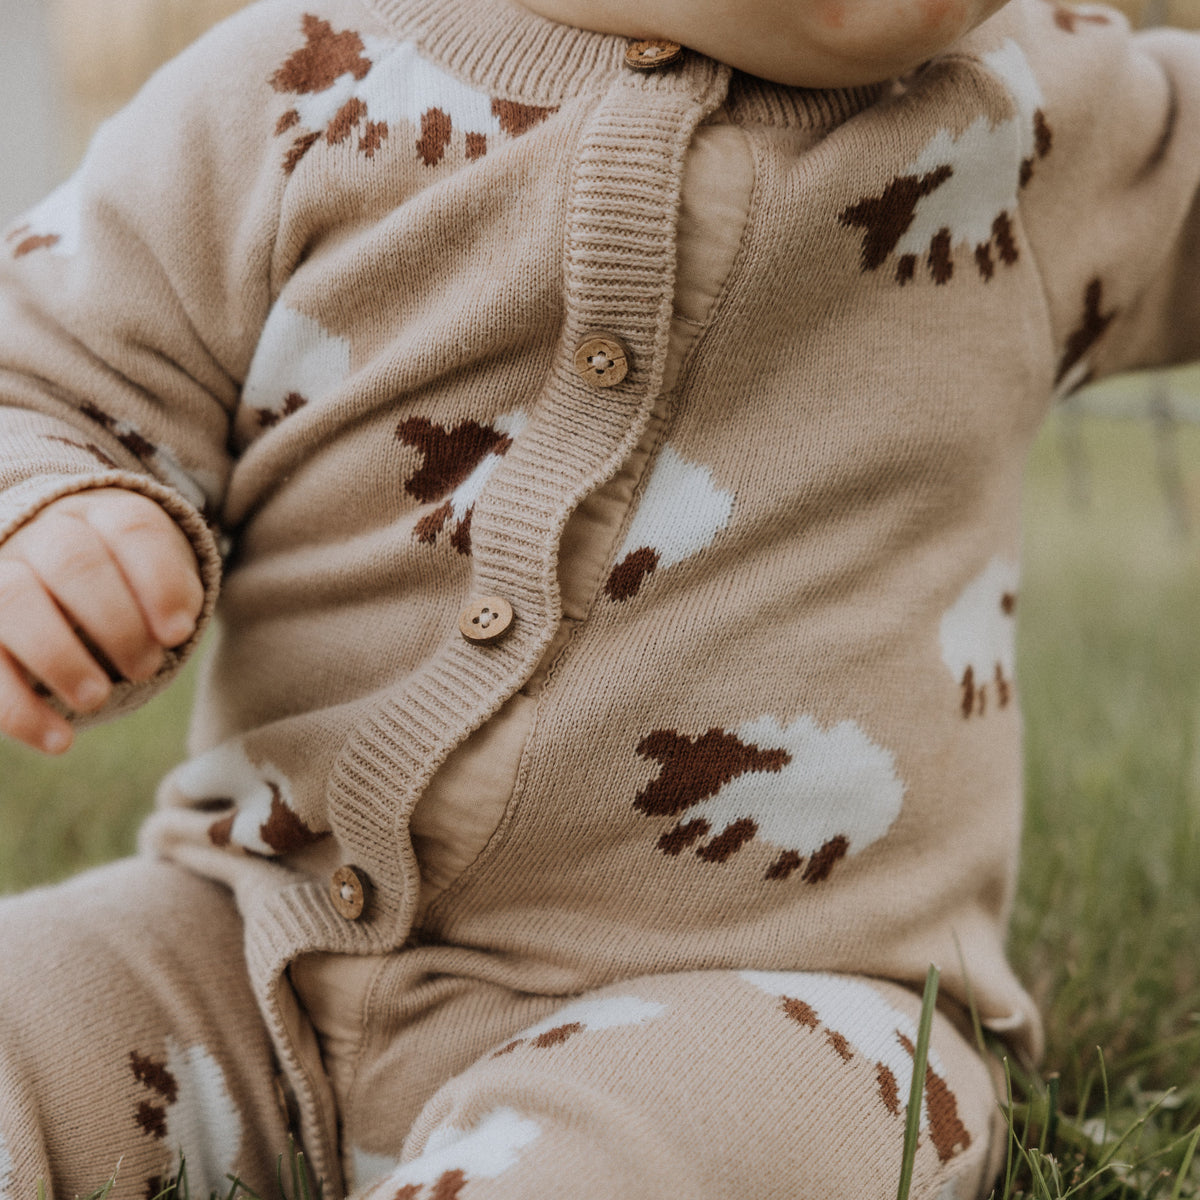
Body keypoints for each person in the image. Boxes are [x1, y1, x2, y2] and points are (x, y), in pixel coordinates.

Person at [0, 0, 1196, 1195]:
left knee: (676, 1147)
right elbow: (43, 371)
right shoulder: (290, 86)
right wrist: (52, 516)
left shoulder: (1040, 114)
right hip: (248, 938)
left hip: (763, 1003)